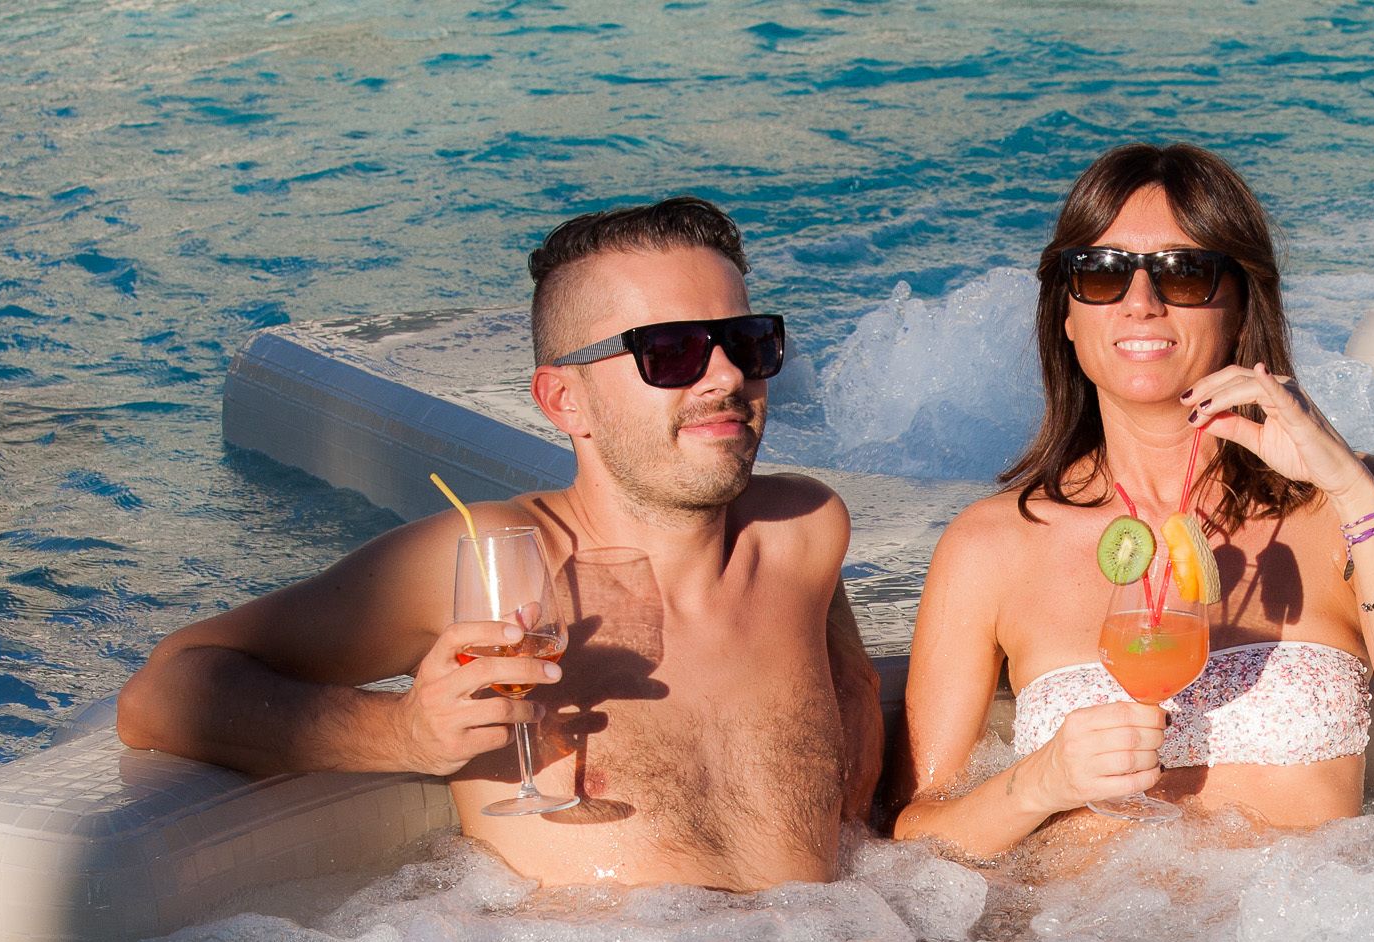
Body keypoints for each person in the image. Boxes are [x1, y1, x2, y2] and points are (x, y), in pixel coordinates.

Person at [117, 197, 882, 892]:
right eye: (671, 351)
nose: (726, 376)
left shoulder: (803, 535)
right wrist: (404, 733)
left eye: (748, 342)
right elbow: (162, 694)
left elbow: (852, 731)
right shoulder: (487, 560)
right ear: (565, 400)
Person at [890, 144, 1374, 858]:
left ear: (1241, 306)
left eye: (1184, 272)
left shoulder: (1350, 507)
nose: (1141, 302)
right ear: (1066, 315)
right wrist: (1039, 784)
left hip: (1299, 921)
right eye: (1101, 273)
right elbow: (916, 837)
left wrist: (1351, 489)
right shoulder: (992, 545)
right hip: (1084, 927)